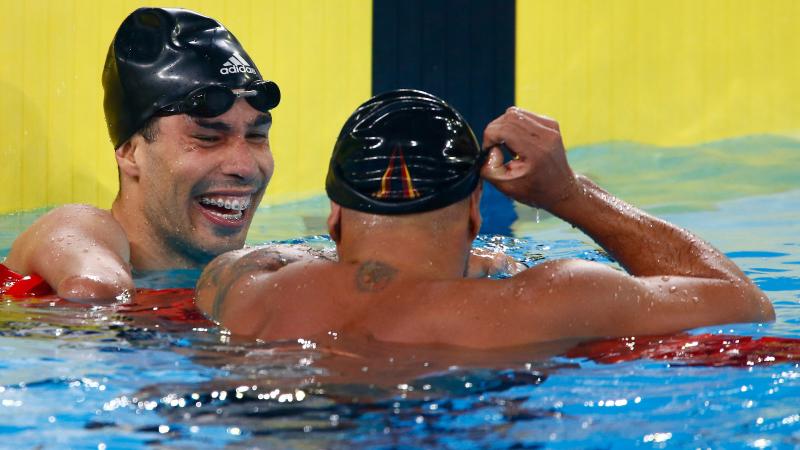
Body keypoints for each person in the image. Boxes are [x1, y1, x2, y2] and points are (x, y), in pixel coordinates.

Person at [195, 89, 775, 348]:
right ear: (475, 211)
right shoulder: (550, 298)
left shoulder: (242, 286)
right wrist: (571, 195)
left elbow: (295, 259)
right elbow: (745, 302)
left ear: (334, 216)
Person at [1, 8, 281, 301]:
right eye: (208, 138)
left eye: (256, 136)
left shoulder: (252, 273)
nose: (245, 167)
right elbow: (91, 289)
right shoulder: (80, 231)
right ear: (130, 152)